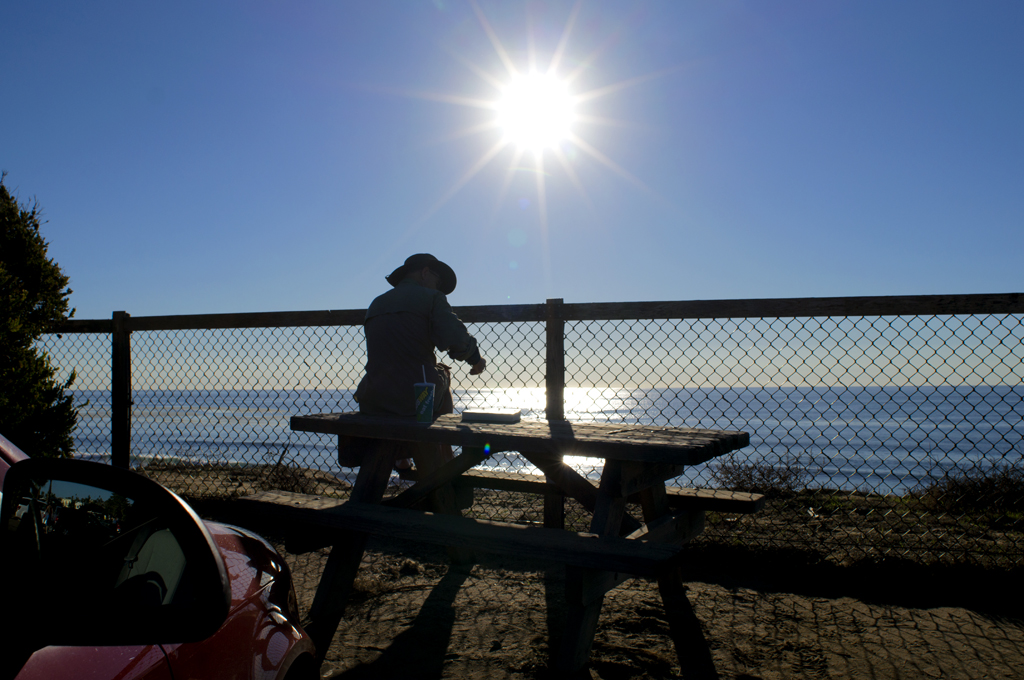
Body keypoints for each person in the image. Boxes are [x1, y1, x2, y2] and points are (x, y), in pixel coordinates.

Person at [354, 253, 487, 420]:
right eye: (438, 282)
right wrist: (476, 360)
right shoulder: (432, 298)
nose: (438, 288)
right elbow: (456, 339)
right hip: (413, 400)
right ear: (425, 272)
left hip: (372, 398)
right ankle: (440, 440)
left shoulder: (376, 303)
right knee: (443, 373)